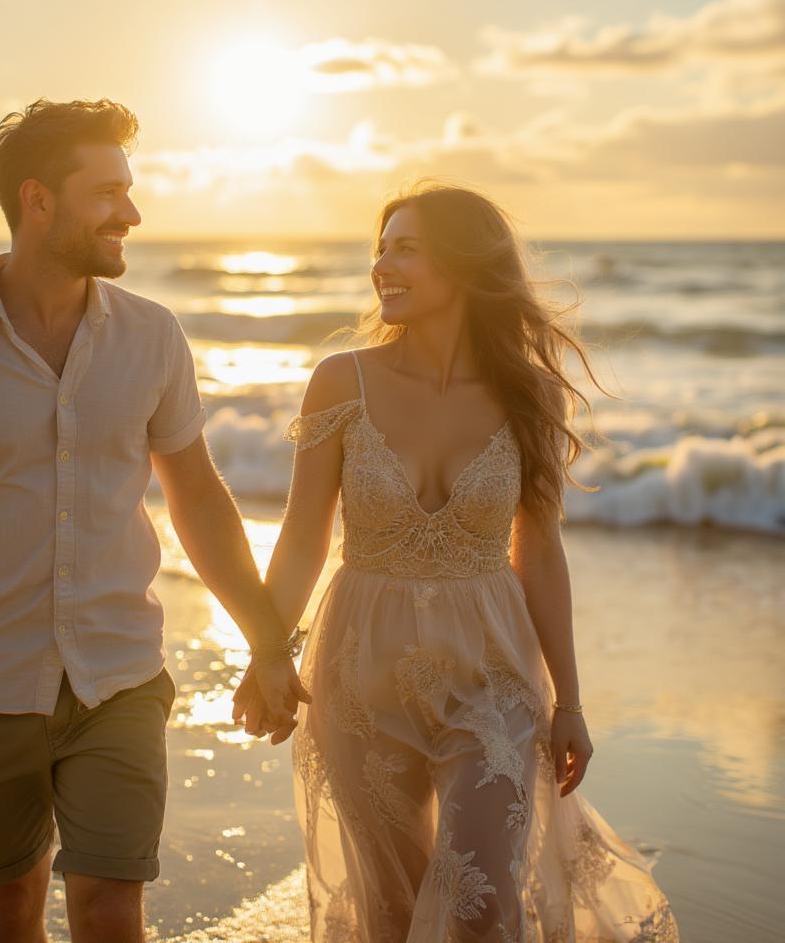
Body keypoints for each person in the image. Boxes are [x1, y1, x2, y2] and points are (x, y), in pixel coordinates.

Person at [0, 97, 308, 943]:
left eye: (129, 191)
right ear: (38, 200)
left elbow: (200, 499)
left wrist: (267, 640)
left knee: (109, 907)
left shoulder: (154, 337)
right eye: (107, 192)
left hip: (121, 680)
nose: (131, 213)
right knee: (9, 903)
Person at [233, 183, 678, 941]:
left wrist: (569, 699)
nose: (383, 265)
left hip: (493, 674)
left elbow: (539, 550)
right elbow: (303, 535)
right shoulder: (342, 380)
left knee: (479, 905)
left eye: (406, 248)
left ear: (465, 266)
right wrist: (266, 654)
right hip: (358, 672)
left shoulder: (531, 396)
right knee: (391, 910)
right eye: (381, 247)